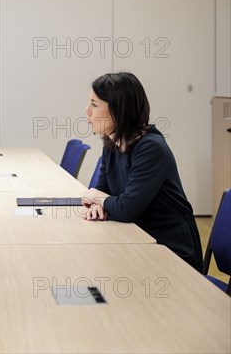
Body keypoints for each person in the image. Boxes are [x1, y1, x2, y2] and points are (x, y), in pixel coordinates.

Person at [82, 72, 203, 272]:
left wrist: (98, 199)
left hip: (170, 249)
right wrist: (99, 202)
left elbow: (127, 209)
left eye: (94, 104)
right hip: (138, 237)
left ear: (119, 109)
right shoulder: (111, 144)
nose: (87, 111)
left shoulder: (151, 148)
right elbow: (102, 190)